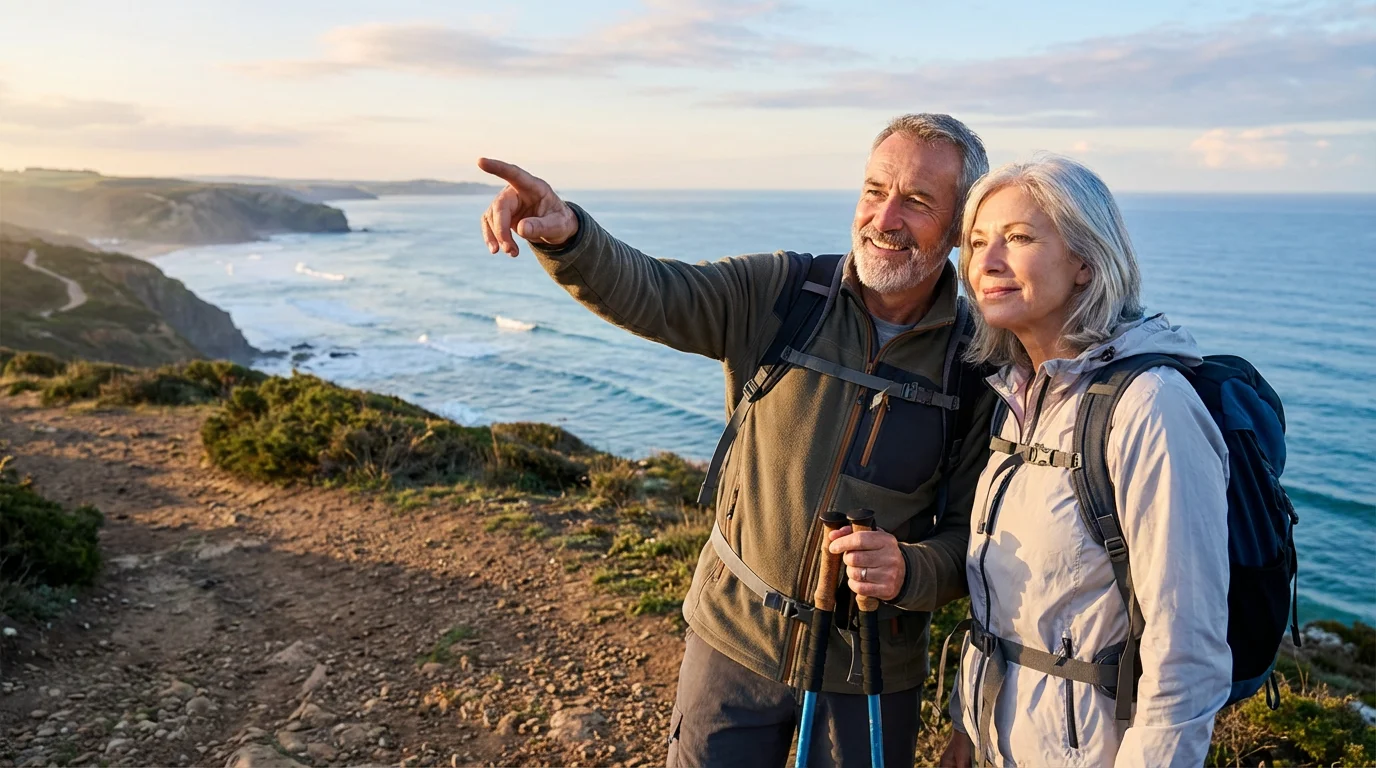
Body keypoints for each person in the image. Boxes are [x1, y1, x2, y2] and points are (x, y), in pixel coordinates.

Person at [477, 113, 996, 767]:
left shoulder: (979, 364)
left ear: (959, 228)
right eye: (874, 190)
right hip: (732, 642)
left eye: (917, 202)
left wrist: (909, 569)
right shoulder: (785, 292)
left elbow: (977, 542)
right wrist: (570, 237)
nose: (885, 217)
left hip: (866, 672)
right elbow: (658, 292)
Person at [939, 154, 1231, 767]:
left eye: (1018, 238)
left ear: (1085, 261)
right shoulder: (1018, 397)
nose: (986, 263)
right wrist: (968, 732)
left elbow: (1187, 655)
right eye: (976, 242)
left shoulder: (1152, 408)